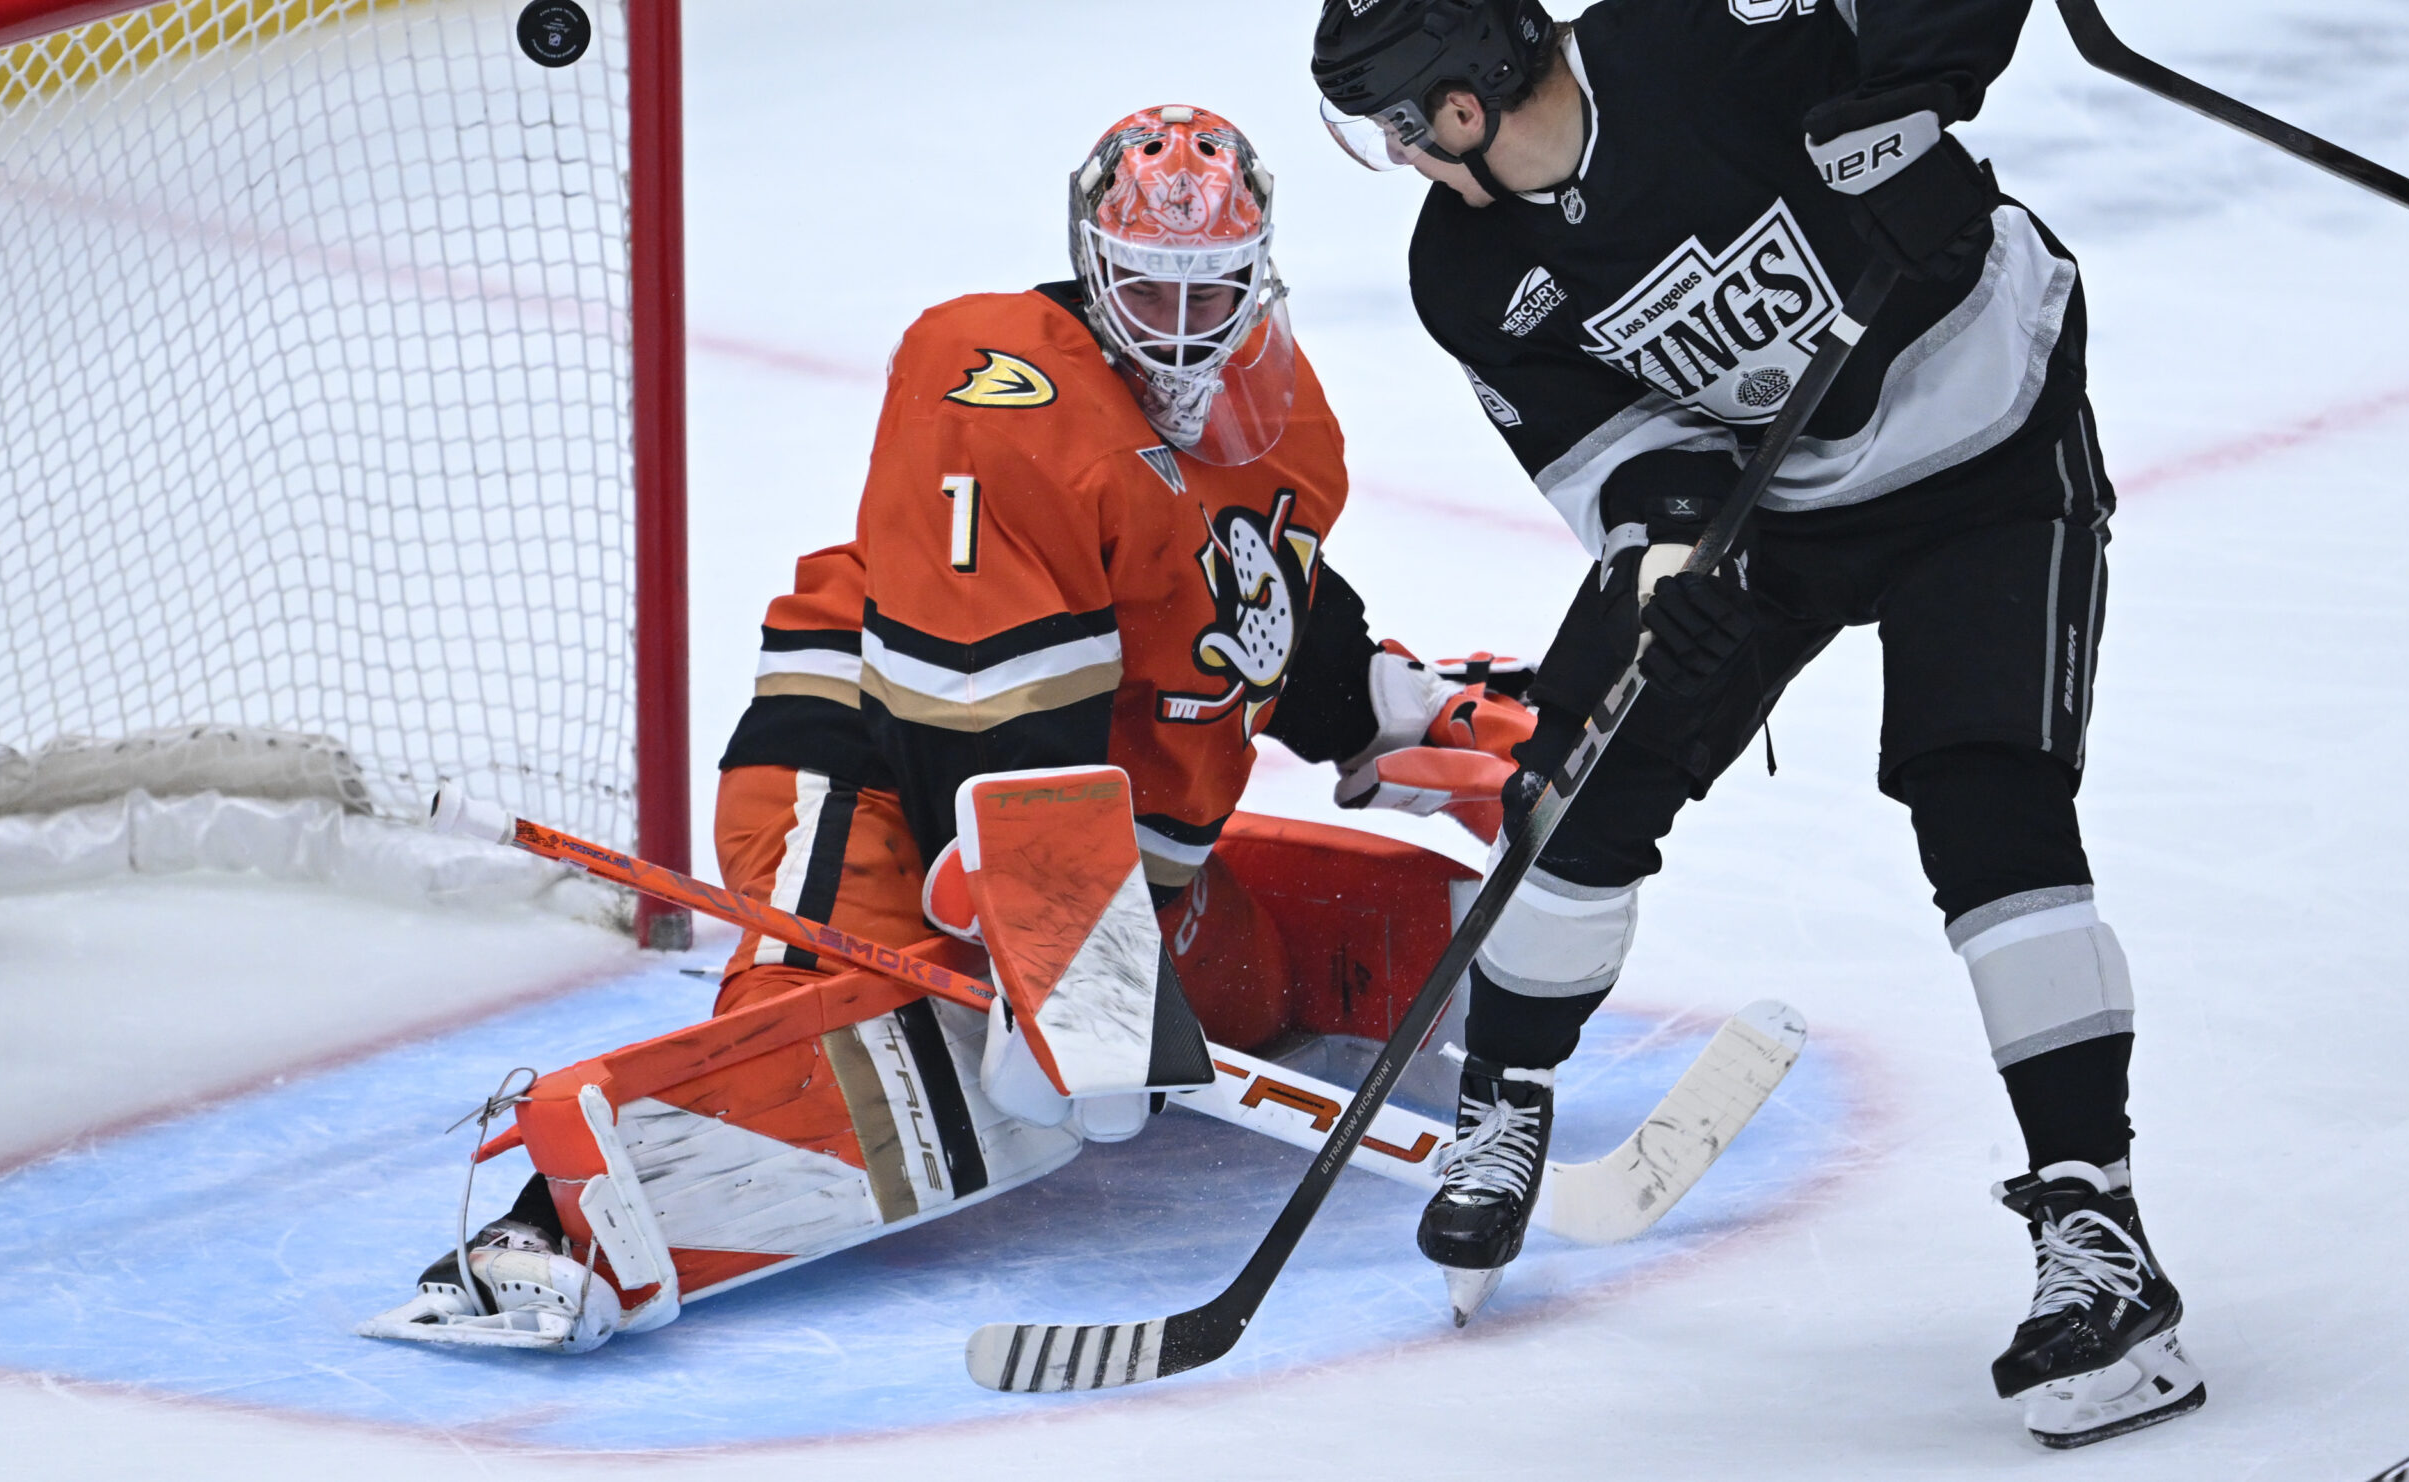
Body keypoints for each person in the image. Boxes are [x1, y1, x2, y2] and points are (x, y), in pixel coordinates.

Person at [360, 105, 1533, 1353]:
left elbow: (1249, 597)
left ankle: (1099, 965)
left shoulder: (1281, 417)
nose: (1185, 321)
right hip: (883, 782)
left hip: (1116, 858)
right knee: (861, 1058)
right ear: (1092, 263)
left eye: (1213, 287)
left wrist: (1389, 710)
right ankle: (544, 1234)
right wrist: (1067, 965)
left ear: (1259, 272)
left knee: (1257, 988)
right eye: (1148, 283)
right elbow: (980, 709)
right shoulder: (1000, 384)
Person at [1311, 0, 2200, 1450]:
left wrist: (1894, 111)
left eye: (1396, 123)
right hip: (1766, 498)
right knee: (1576, 774)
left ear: (1455, 104)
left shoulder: (1692, 31)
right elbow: (1618, 454)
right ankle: (1504, 1101)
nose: (1397, 154)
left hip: (1988, 436)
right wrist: (1668, 568)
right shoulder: (1468, 273)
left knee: (1983, 797)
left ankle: (2096, 1227)